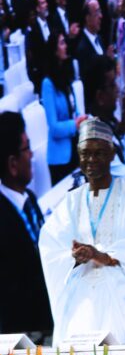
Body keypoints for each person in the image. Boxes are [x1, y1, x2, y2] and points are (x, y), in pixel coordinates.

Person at [38, 118, 125, 345]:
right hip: (83, 293)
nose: (91, 160)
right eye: (85, 154)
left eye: (99, 153)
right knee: (76, 342)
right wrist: (73, 257)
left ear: (112, 154)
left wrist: (101, 256)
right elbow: (52, 246)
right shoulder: (70, 203)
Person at [0, 112, 52, 336]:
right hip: (28, 334)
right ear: (13, 164)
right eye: (27, 148)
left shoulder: (29, 198)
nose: (32, 155)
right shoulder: (3, 222)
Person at [82, 55, 125, 187]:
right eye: (112, 85)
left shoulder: (108, 125)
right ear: (100, 97)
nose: (117, 89)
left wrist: (122, 131)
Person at [42, 32, 85, 185]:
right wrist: (75, 124)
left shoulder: (66, 78)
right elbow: (53, 127)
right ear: (54, 51)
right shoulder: (48, 84)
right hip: (60, 159)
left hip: (76, 148)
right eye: (61, 43)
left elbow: (74, 110)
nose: (66, 46)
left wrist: (82, 119)